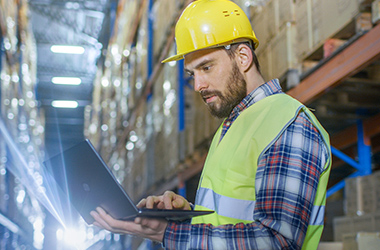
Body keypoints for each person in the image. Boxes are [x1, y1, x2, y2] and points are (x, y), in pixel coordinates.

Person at [91, 0, 332, 249]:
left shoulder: (288, 124)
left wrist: (169, 233)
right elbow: (232, 220)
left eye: (206, 67)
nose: (198, 85)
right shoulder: (231, 126)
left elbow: (277, 241)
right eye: (193, 74)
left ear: (243, 57)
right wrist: (185, 217)